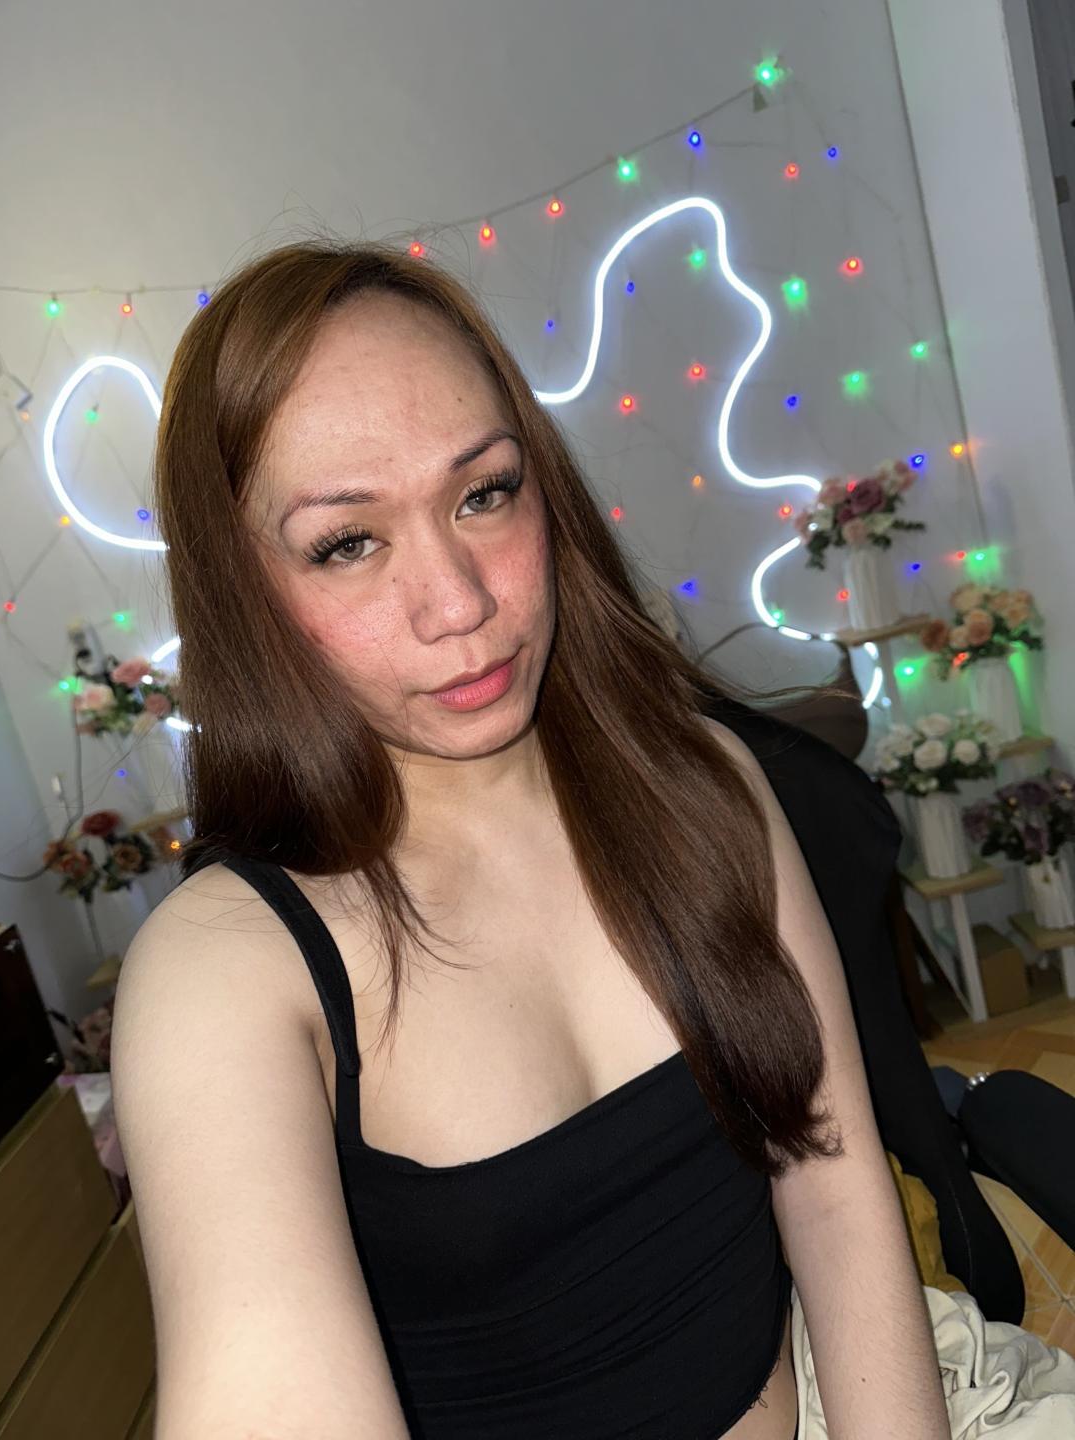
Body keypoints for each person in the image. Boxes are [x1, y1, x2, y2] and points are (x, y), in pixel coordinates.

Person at [110, 237, 953, 1438]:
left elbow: (835, 1189)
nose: (460, 601)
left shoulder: (703, 785)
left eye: (484, 492)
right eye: (347, 542)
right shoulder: (225, 977)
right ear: (245, 597)